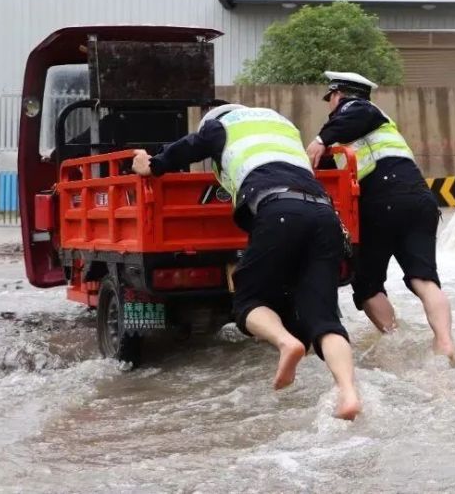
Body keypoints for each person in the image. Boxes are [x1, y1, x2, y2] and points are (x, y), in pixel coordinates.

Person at [131, 100, 362, 420]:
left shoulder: (220, 126)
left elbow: (187, 148)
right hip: (325, 214)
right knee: (323, 318)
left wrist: (151, 164)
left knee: (248, 300)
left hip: (276, 209)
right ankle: (349, 394)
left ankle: (286, 343)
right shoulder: (284, 126)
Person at [305, 72, 455, 362]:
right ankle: (445, 343)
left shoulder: (358, 109)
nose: (330, 105)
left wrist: (318, 139)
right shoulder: (368, 130)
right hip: (419, 200)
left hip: (381, 201)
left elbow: (356, 115)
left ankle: (394, 337)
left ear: (339, 95)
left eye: (330, 98)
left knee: (366, 285)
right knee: (423, 278)